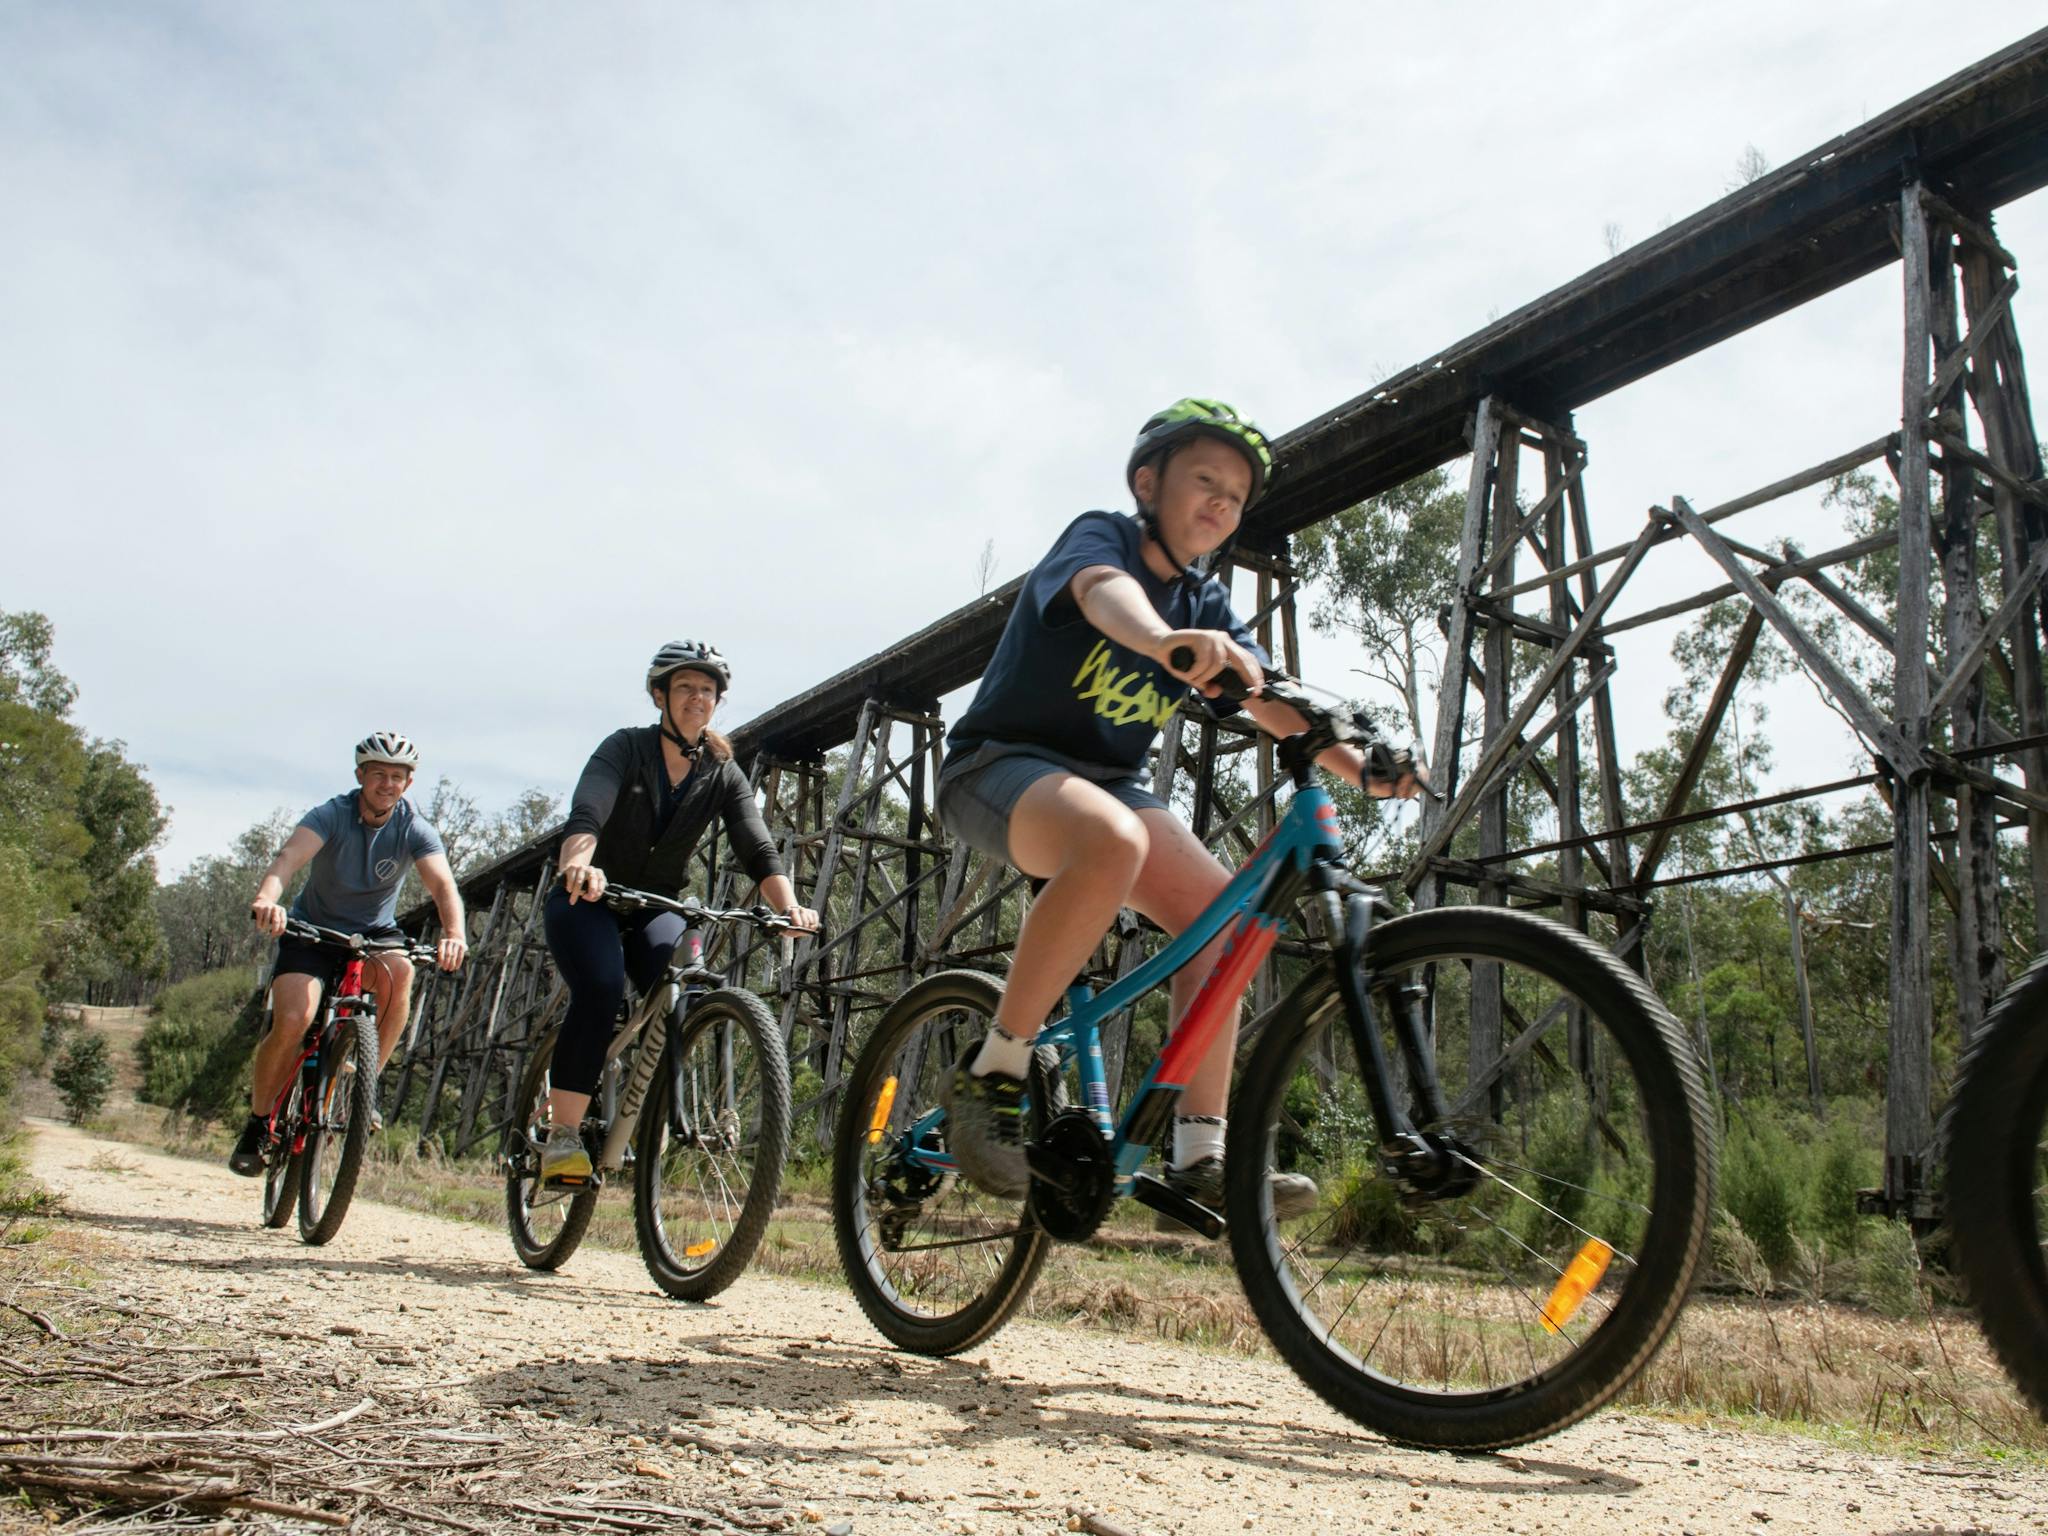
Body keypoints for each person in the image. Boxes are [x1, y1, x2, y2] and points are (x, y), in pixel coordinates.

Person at [937, 398, 1424, 1226]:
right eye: (1205, 481)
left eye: (1236, 495)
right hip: (999, 766)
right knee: (1112, 841)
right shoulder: (1103, 538)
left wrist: (1364, 769)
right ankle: (995, 1072)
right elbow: (1103, 597)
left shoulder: (1209, 602)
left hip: (1106, 786)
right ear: (1147, 481)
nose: (1222, 504)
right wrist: (1164, 641)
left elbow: (1274, 699)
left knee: (1222, 919)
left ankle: (1200, 1160)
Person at [538, 640, 820, 1183]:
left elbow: (756, 847)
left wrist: (789, 908)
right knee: (599, 987)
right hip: (588, 898)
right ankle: (563, 1136)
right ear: (659, 695)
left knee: (688, 994)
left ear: (717, 702)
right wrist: (579, 865)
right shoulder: (624, 748)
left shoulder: (722, 771)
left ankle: (653, 1110)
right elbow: (588, 812)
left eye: (708, 690)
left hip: (654, 905)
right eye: (686, 687)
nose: (698, 697)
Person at [231, 732, 468, 1174]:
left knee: (401, 974)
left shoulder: (414, 827)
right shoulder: (332, 815)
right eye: (378, 774)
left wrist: (455, 933)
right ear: (360, 775)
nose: (388, 784)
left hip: (374, 934)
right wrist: (267, 899)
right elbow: (288, 858)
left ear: (408, 784)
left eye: (398, 776)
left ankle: (364, 1091)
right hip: (311, 932)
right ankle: (259, 1122)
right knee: (295, 1019)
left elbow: (442, 885)